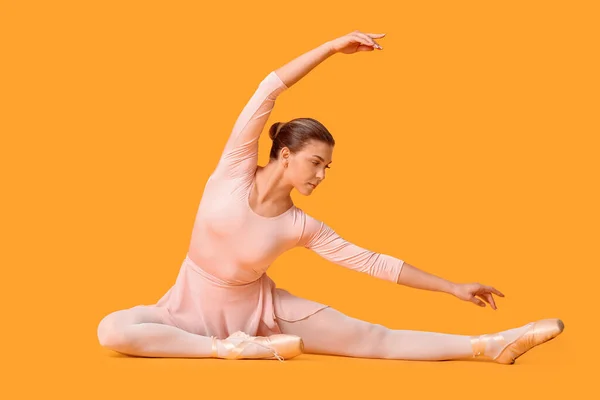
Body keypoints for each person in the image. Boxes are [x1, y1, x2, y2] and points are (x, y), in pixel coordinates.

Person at [97, 30, 564, 364]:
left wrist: (452, 286)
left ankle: (492, 344)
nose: (322, 175)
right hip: (186, 309)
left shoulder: (301, 226)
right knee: (113, 329)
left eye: (327, 168)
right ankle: (230, 349)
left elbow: (376, 263)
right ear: (284, 154)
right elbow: (267, 90)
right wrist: (331, 47)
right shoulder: (232, 170)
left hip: (262, 312)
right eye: (315, 162)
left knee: (374, 339)